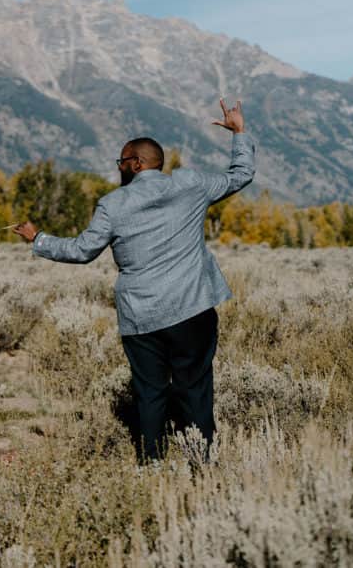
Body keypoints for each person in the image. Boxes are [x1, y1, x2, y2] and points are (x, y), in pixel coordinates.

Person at [13, 99, 254, 461]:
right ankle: (201, 465)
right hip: (193, 310)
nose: (119, 167)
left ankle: (151, 465)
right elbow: (240, 175)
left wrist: (39, 239)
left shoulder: (113, 204)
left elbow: (82, 250)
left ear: (137, 164)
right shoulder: (191, 185)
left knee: (150, 393)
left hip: (142, 317)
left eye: (122, 161)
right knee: (196, 390)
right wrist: (239, 134)